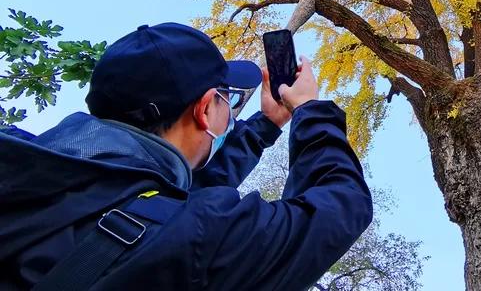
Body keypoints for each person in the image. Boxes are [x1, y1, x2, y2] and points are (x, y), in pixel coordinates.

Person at [0, 22, 373, 290]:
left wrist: (266, 126)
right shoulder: (196, 237)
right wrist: (309, 108)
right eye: (228, 98)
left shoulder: (39, 173)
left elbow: (172, 201)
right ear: (206, 107)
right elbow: (341, 205)